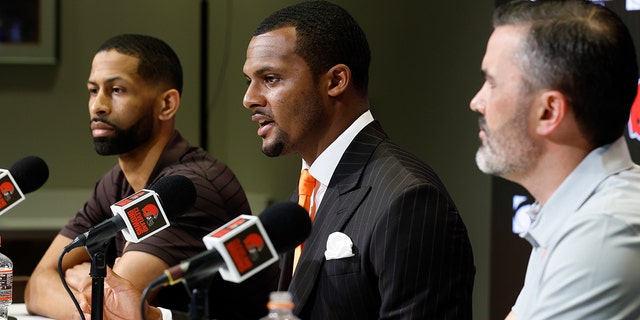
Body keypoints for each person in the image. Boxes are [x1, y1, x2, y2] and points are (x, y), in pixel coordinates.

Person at [243, 1, 475, 319]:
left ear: (336, 81)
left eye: (270, 79)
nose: (249, 98)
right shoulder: (306, 189)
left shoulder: (409, 198)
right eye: (249, 82)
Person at [24, 33, 278, 320]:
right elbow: (36, 286)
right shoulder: (115, 182)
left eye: (117, 90)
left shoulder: (188, 189)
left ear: (167, 104)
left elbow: (113, 308)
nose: (98, 106)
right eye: (93, 90)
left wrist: (80, 285)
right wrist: (85, 299)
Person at [470, 0, 640, 319]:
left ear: (549, 112)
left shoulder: (601, 235)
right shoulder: (572, 212)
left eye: (491, 83)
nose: (476, 102)